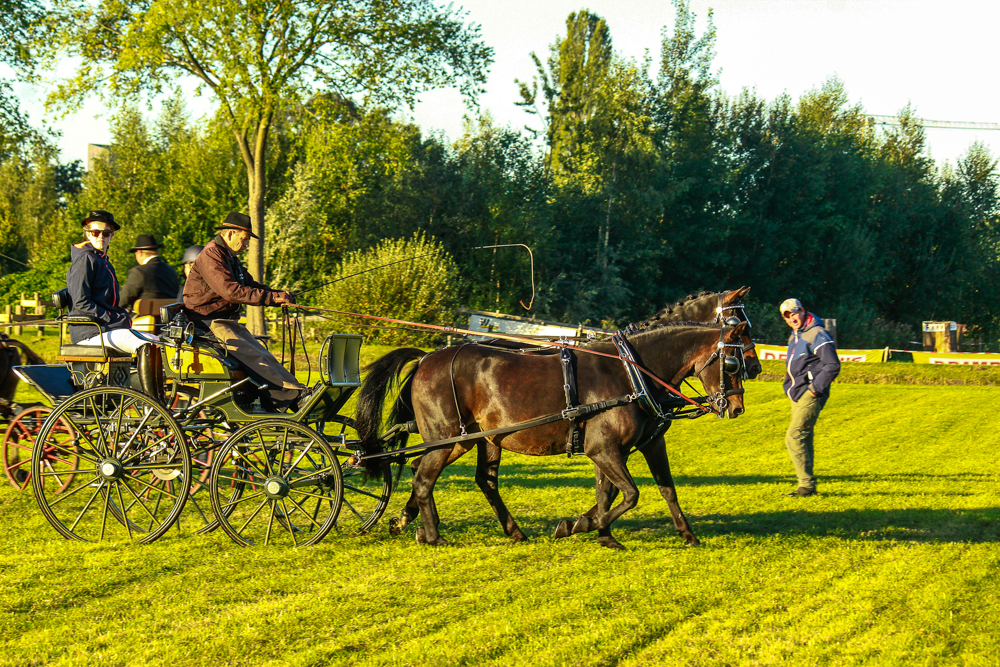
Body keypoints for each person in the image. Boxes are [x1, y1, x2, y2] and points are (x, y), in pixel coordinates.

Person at [182, 212, 310, 410]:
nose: (246, 245)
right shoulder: (211, 255)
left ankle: (297, 392)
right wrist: (272, 298)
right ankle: (291, 399)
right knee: (252, 355)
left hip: (223, 321)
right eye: (244, 239)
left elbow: (250, 284)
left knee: (263, 353)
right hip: (206, 322)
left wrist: (277, 295)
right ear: (230, 234)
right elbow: (231, 292)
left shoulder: (228, 257)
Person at [66, 210, 159, 354]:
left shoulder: (104, 261)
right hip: (90, 332)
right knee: (147, 346)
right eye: (96, 232)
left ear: (112, 235)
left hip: (106, 329)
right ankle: (142, 376)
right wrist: (112, 317)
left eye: (106, 233)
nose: (101, 237)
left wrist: (120, 315)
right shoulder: (85, 259)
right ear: (88, 233)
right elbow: (80, 302)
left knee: (158, 341)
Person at [780, 298, 840, 497]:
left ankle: (805, 485)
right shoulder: (794, 336)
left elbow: (832, 365)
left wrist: (814, 389)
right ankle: (808, 485)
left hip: (810, 394)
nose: (792, 317)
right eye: (787, 315)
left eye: (795, 312)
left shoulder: (817, 333)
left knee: (794, 437)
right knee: (804, 438)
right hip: (796, 395)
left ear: (803, 311)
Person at [119, 234, 181, 308]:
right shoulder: (171, 271)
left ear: (140, 252)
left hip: (143, 318)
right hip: (169, 317)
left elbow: (121, 301)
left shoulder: (139, 272)